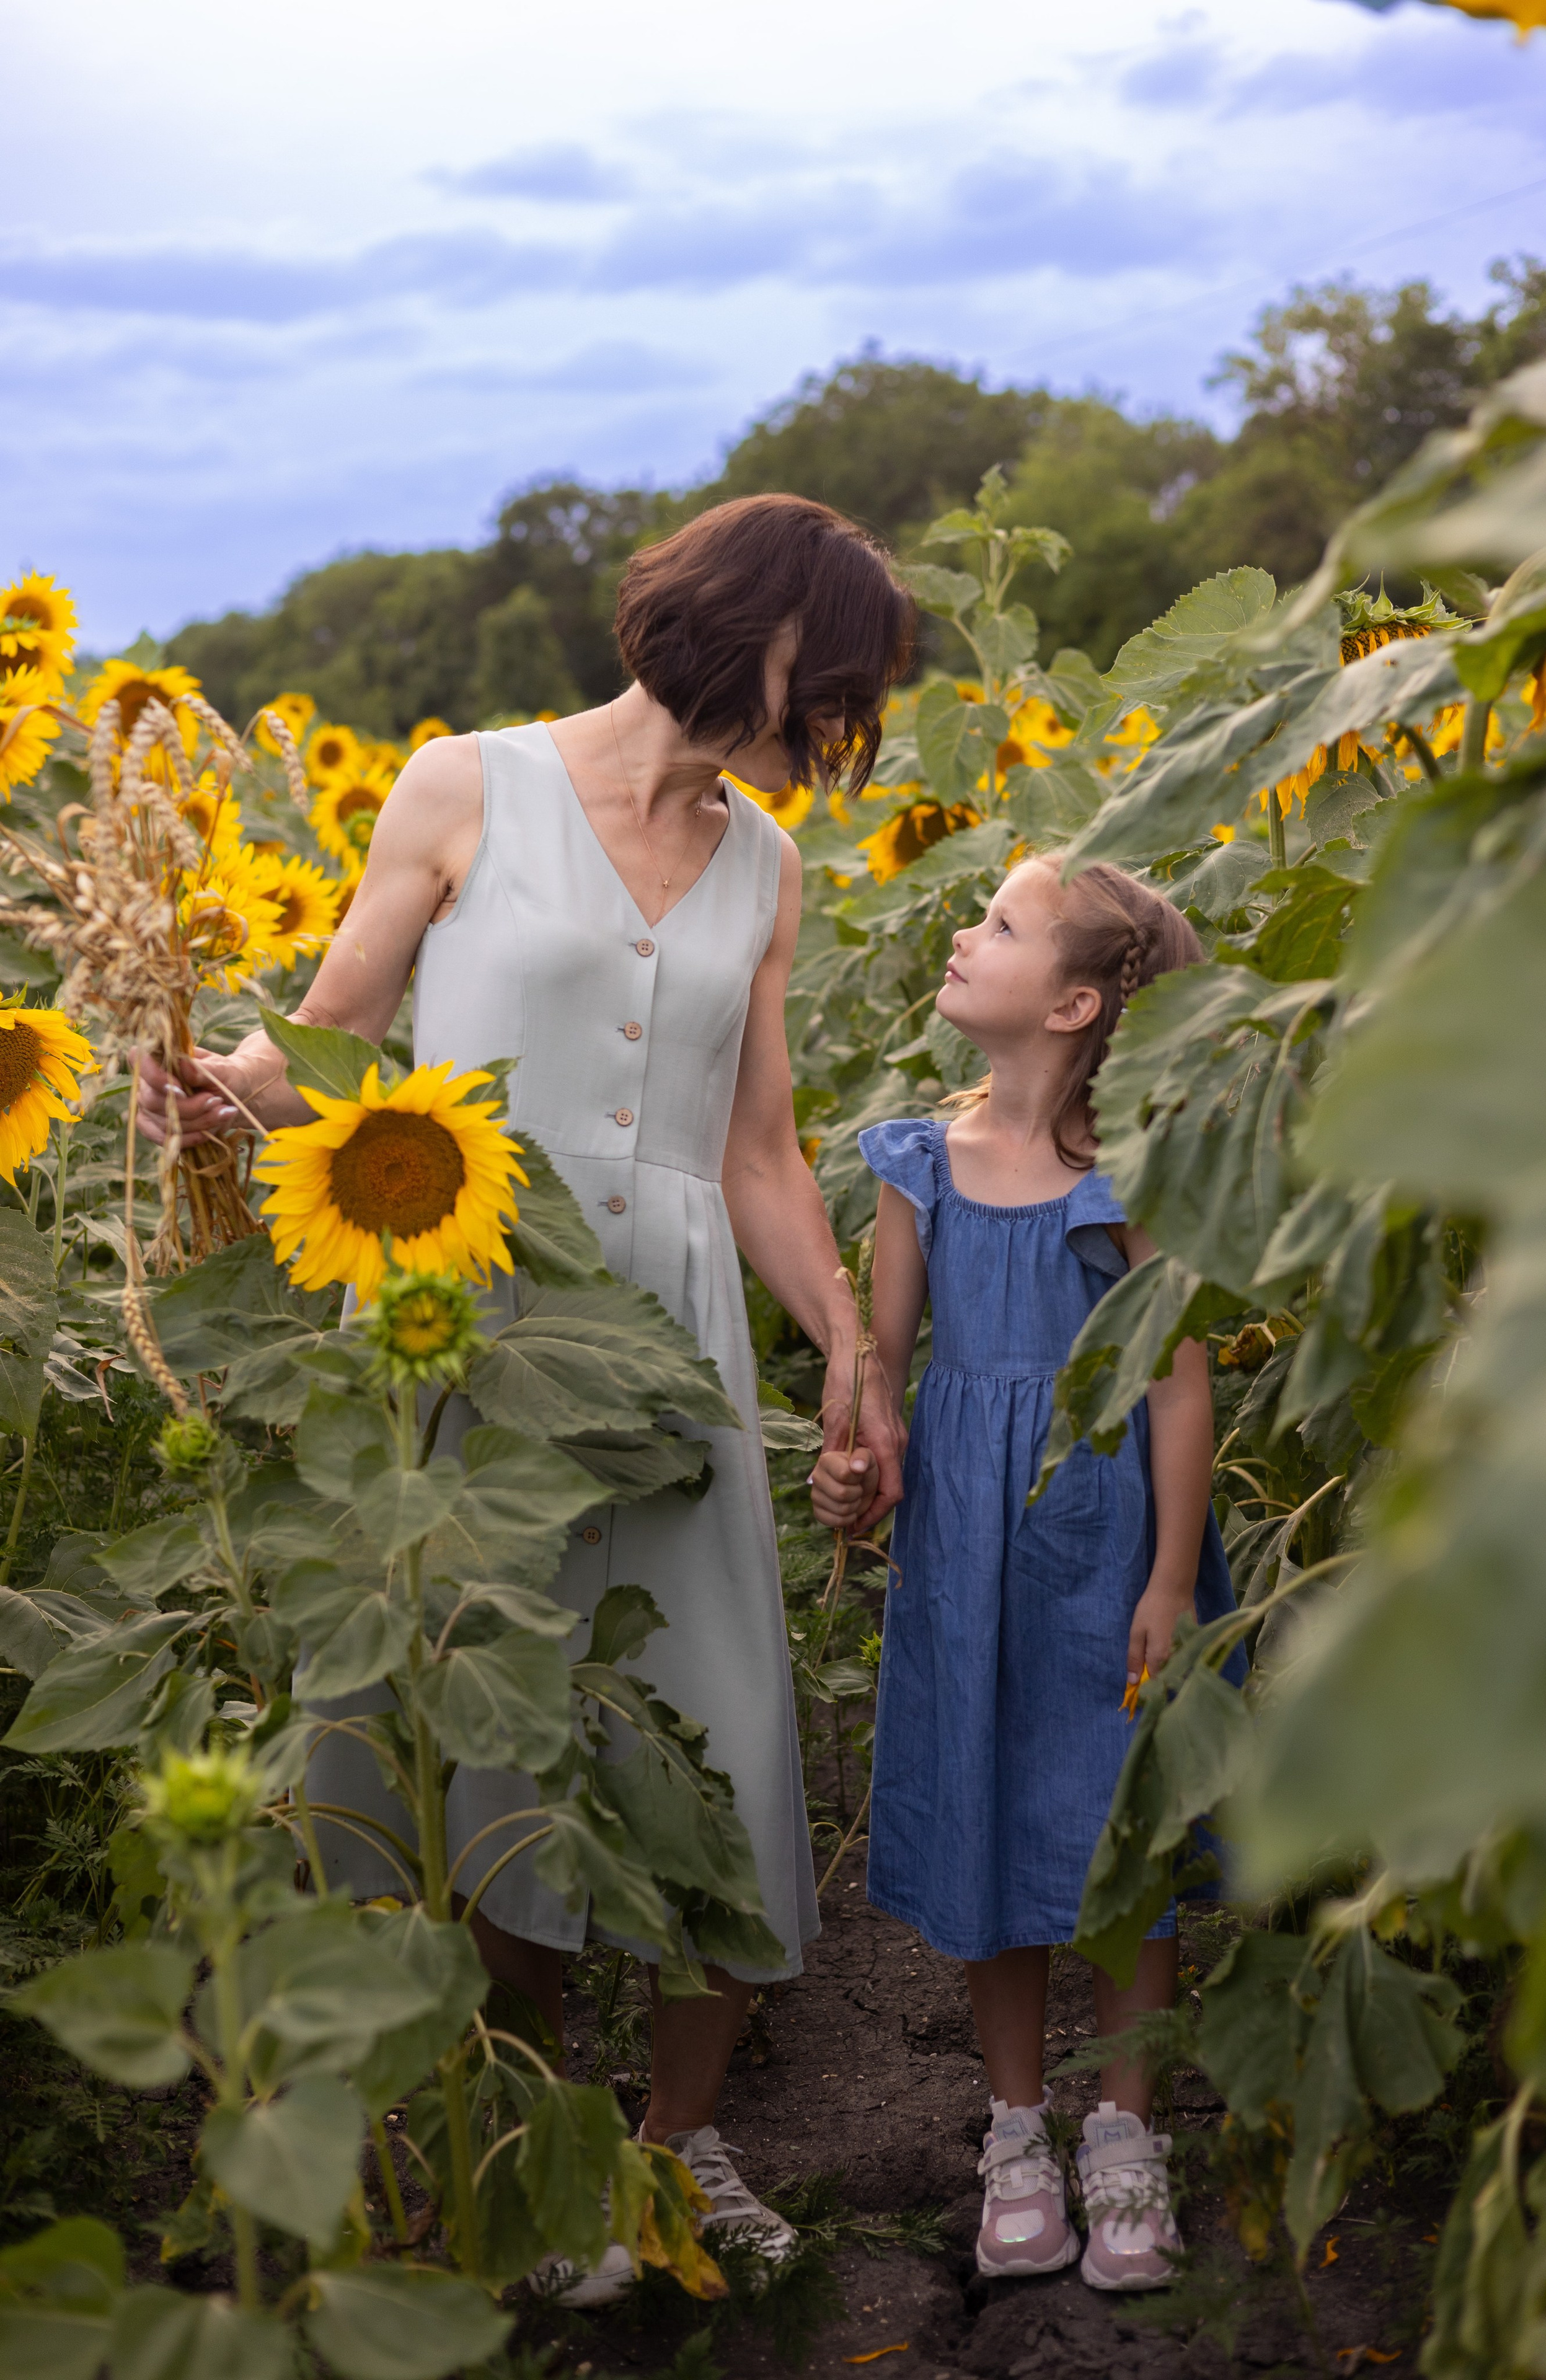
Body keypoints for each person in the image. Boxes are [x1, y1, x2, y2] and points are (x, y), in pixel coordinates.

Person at [138, 494, 912, 2296]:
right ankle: (539, 2142)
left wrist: (856, 1366)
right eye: (833, 681)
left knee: (708, 1725)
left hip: (679, 1340)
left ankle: (679, 2152)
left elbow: (762, 1153)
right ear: (747, 631)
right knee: (498, 1728)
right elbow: (334, 1033)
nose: (836, 724)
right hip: (467, 1313)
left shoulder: (767, 866)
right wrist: (218, 1090)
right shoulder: (466, 783)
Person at [811, 853, 1242, 2293]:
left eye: (995, 923)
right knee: (992, 1813)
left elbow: (1175, 1387)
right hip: (968, 1551)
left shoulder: (1128, 1189)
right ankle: (1014, 2127)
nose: (961, 928)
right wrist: (859, 1473)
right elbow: (886, 1373)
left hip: (1110, 1534)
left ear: (1067, 1003)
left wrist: (1172, 1579)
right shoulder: (913, 1168)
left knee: (1115, 1828)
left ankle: (1124, 2132)